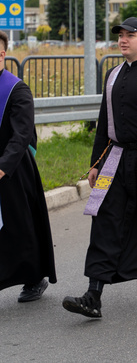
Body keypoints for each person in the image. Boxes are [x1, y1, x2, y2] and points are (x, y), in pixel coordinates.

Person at [63, 17, 137, 318]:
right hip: (116, 160)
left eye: (131, 35)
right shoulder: (113, 75)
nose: (123, 40)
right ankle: (93, 294)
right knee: (104, 219)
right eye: (120, 35)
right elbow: (104, 122)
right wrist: (95, 164)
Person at [0, 30, 56, 303]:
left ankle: (34, 277)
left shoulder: (17, 89)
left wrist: (2, 166)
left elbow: (22, 135)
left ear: (1, 53)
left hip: (14, 170)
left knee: (20, 227)